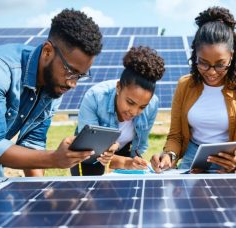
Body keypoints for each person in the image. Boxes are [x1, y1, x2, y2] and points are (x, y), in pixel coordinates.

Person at [0, 9, 103, 177]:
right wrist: (54, 159)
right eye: (71, 71)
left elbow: (33, 145)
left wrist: (40, 192)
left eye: (80, 76)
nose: (73, 83)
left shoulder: (54, 87)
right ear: (47, 51)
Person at [150, 6, 236, 173]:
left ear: (232, 56)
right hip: (192, 158)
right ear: (195, 56)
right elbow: (176, 135)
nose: (212, 72)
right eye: (204, 63)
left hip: (228, 161)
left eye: (220, 65)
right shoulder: (184, 86)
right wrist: (169, 155)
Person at [70, 46, 165, 176]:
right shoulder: (94, 97)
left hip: (123, 152)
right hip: (88, 154)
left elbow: (140, 144)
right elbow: (90, 151)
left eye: (142, 107)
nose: (134, 112)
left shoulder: (153, 103)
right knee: (90, 193)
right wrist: (122, 161)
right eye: (130, 102)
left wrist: (135, 160)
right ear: (118, 87)